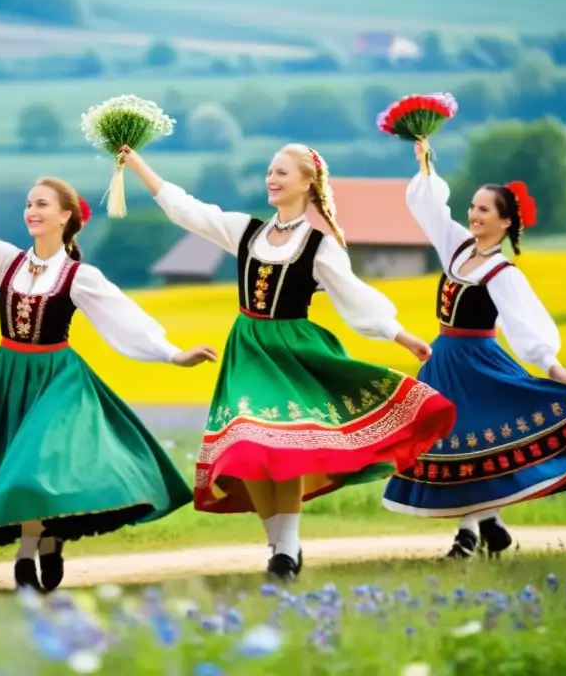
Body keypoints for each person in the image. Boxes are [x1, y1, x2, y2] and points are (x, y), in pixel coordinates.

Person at [0, 144, 217, 593]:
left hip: (56, 378)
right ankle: (37, 545)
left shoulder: (79, 276)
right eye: (28, 204)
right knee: (17, 463)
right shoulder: (7, 263)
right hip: (10, 378)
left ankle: (36, 548)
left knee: (35, 463)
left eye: (41, 203)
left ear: (65, 216)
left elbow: (123, 316)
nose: (31, 210)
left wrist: (172, 353)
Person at [119, 143, 457, 580]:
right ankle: (278, 544)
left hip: (293, 350)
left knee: (285, 446)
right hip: (249, 349)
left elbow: (355, 297)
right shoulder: (245, 230)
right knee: (247, 443)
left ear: (306, 183)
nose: (271, 179)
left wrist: (398, 334)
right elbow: (187, 210)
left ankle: (287, 545)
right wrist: (137, 163)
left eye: (281, 173)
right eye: (269, 172)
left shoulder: (320, 246)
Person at [382, 140, 566, 559]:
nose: (473, 214)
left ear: (505, 222)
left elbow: (523, 321)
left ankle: (468, 536)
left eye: (484, 209)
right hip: (442, 361)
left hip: (478, 365)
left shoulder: (501, 272)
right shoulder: (456, 246)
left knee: (472, 444)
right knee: (453, 446)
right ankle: (490, 525)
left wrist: (551, 365)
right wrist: (426, 166)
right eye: (472, 206)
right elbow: (432, 211)